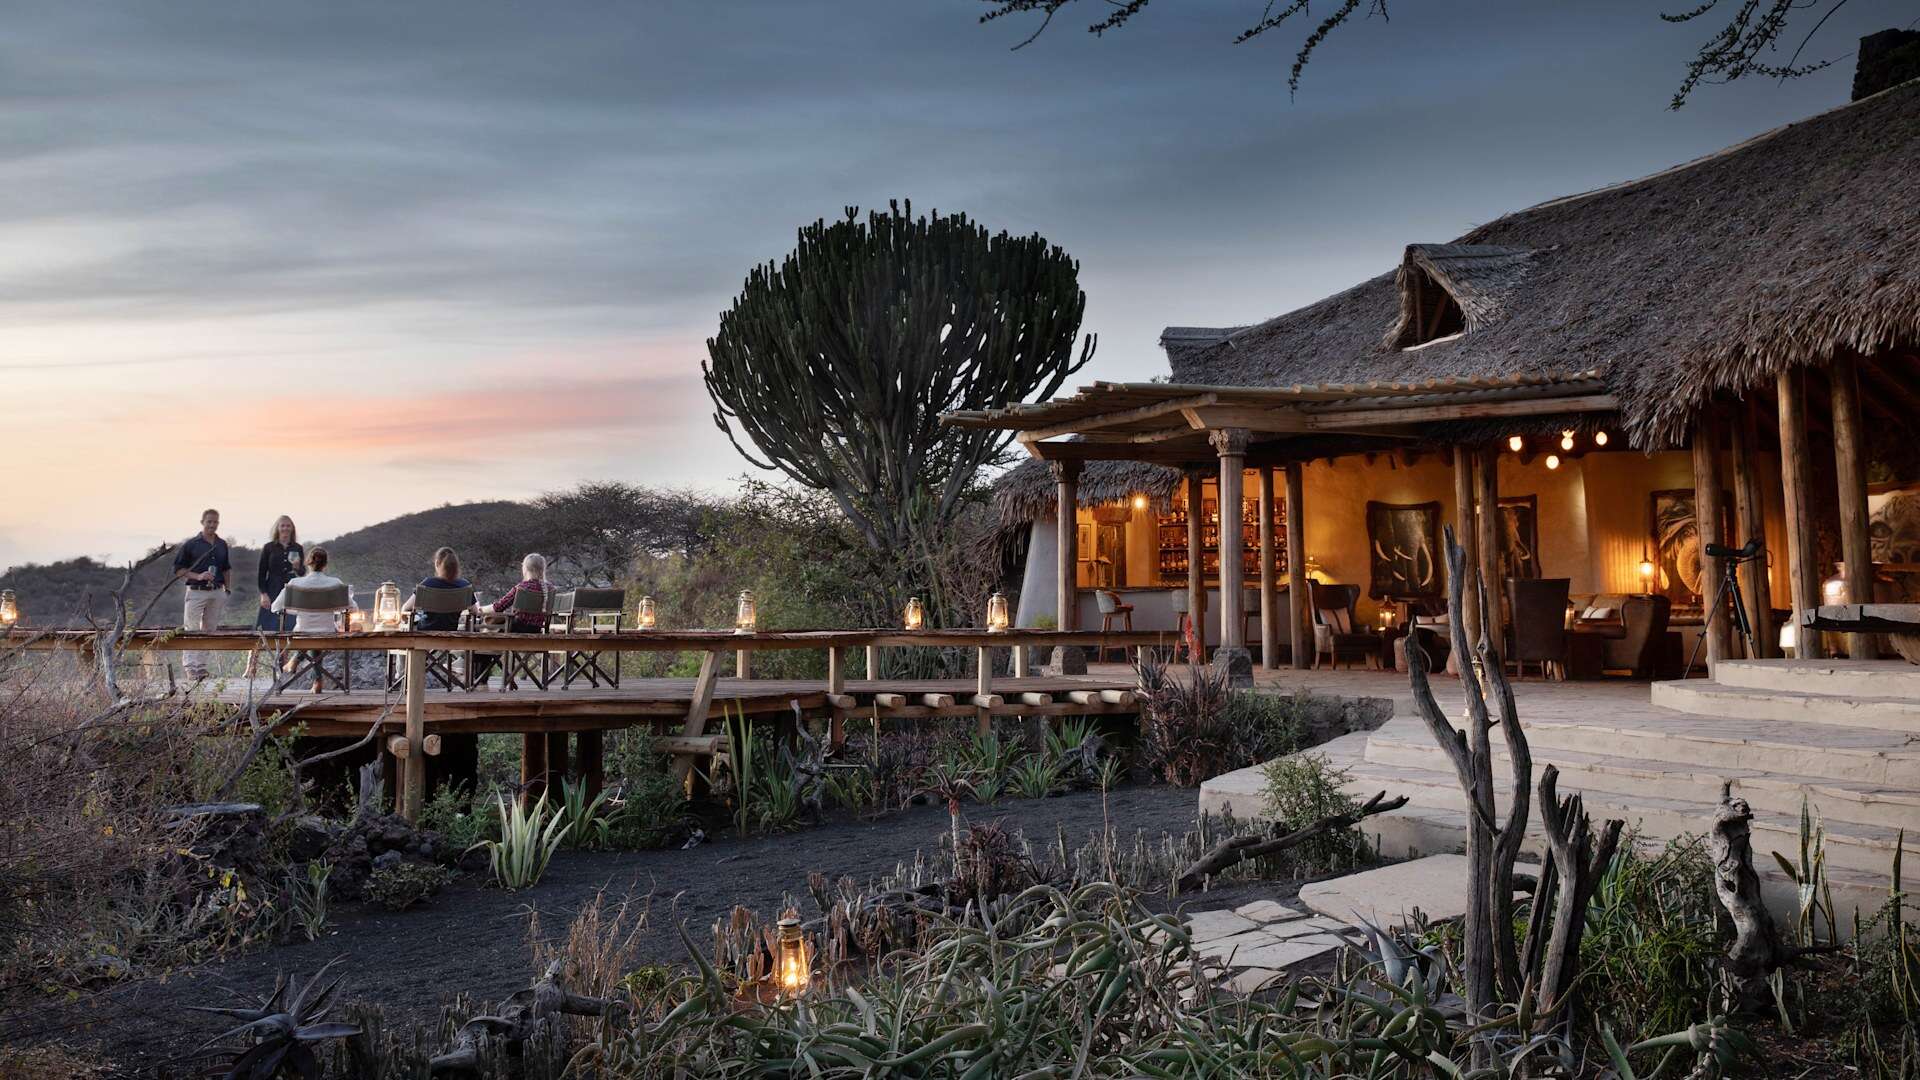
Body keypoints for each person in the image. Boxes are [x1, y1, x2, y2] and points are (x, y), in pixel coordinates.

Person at [172, 508, 231, 679]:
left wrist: (227, 589)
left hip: (217, 592)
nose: (212, 525)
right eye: (209, 522)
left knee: (209, 630)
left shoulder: (222, 544)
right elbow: (178, 570)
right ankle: (191, 667)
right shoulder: (191, 544)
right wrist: (198, 576)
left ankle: (201, 666)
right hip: (196, 591)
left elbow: (226, 568)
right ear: (202, 522)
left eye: (215, 522)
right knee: (191, 629)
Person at [248, 515, 304, 676]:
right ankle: (252, 666)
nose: (285, 529)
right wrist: (263, 594)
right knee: (263, 628)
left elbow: (301, 573)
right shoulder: (269, 548)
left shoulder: (297, 548)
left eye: (288, 526)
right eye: (283, 526)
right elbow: (261, 573)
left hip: (290, 591)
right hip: (271, 591)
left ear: (292, 528)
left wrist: (298, 567)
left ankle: (284, 666)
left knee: (287, 628)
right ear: (277, 528)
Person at [269, 546, 353, 633]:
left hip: (300, 637)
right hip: (328, 636)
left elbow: (275, 607)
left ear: (307, 562)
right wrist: (332, 610)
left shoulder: (294, 583)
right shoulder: (335, 583)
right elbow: (353, 608)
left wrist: (298, 610)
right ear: (325, 564)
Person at [400, 546, 476, 631]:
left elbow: (405, 609)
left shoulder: (427, 584)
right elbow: (475, 612)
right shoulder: (465, 586)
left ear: (436, 563)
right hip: (451, 633)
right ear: (456, 566)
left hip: (424, 635)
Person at [490, 553, 551, 632]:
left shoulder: (522, 588)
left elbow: (499, 607)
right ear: (543, 569)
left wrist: (482, 610)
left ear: (525, 569)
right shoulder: (550, 588)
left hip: (516, 629)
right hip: (537, 629)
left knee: (493, 626)